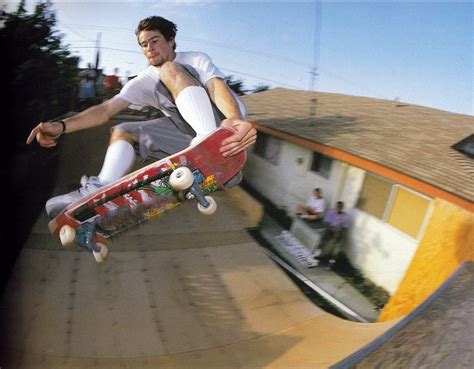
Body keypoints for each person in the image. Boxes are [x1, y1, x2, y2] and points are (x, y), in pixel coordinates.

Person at [26, 16, 257, 219]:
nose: (149, 48)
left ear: (171, 40)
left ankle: (210, 144)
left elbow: (216, 87)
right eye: (143, 45)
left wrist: (235, 119)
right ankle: (101, 190)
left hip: (225, 128)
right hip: (188, 134)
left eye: (155, 41)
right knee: (123, 131)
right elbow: (105, 110)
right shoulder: (142, 80)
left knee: (170, 69)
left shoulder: (194, 58)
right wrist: (62, 125)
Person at [319, 201, 350, 268]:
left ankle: (331, 262)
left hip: (338, 232)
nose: (338, 208)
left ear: (342, 207)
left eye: (340, 206)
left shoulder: (345, 216)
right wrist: (333, 230)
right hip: (330, 229)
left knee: (337, 246)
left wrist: (339, 234)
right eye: (337, 206)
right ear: (335, 206)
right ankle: (318, 254)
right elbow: (326, 223)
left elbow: (344, 227)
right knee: (324, 236)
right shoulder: (331, 212)